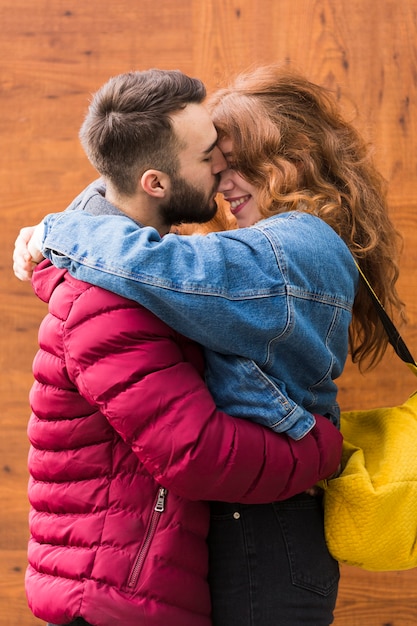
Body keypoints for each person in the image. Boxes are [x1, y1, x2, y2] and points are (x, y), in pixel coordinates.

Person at [15, 64, 405, 625]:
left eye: (237, 162)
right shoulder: (251, 248)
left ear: (290, 157)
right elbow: (141, 203)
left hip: (269, 521)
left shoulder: (295, 245)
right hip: (232, 515)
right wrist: (85, 216)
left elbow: (162, 263)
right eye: (212, 162)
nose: (222, 180)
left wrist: (58, 232)